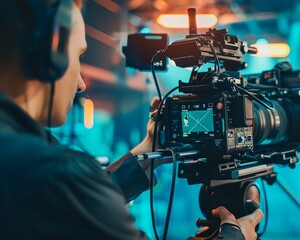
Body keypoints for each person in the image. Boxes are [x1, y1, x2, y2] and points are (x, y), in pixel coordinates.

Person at [0, 0, 263, 239]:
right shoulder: (50, 173)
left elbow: (81, 202)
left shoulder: (24, 157)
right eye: (79, 56)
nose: (81, 84)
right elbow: (74, 191)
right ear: (52, 48)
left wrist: (150, 148)